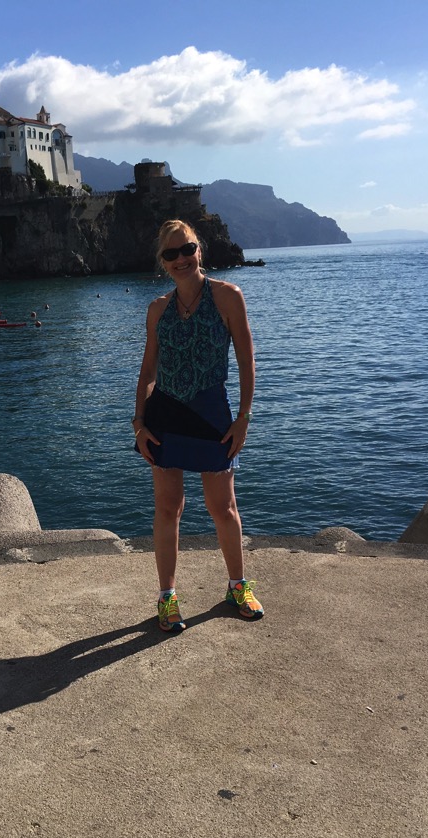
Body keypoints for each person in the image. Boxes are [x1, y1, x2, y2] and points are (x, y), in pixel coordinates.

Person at [133, 219, 263, 632]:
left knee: (222, 507)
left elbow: (246, 361)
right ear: (162, 261)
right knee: (168, 508)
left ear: (199, 250)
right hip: (165, 417)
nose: (180, 259)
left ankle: (237, 586)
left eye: (186, 249)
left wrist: (243, 418)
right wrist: (139, 424)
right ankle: (167, 597)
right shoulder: (158, 309)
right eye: (170, 254)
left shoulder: (228, 297)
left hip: (212, 415)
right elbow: (147, 372)